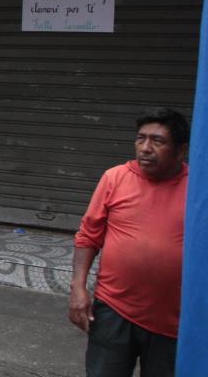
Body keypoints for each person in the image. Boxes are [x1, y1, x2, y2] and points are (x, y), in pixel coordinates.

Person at [69, 107, 190, 377]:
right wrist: (78, 288)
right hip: (114, 310)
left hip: (172, 321)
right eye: (140, 138)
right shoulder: (115, 178)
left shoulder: (197, 189)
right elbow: (88, 235)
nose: (145, 148)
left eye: (157, 141)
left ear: (181, 150)